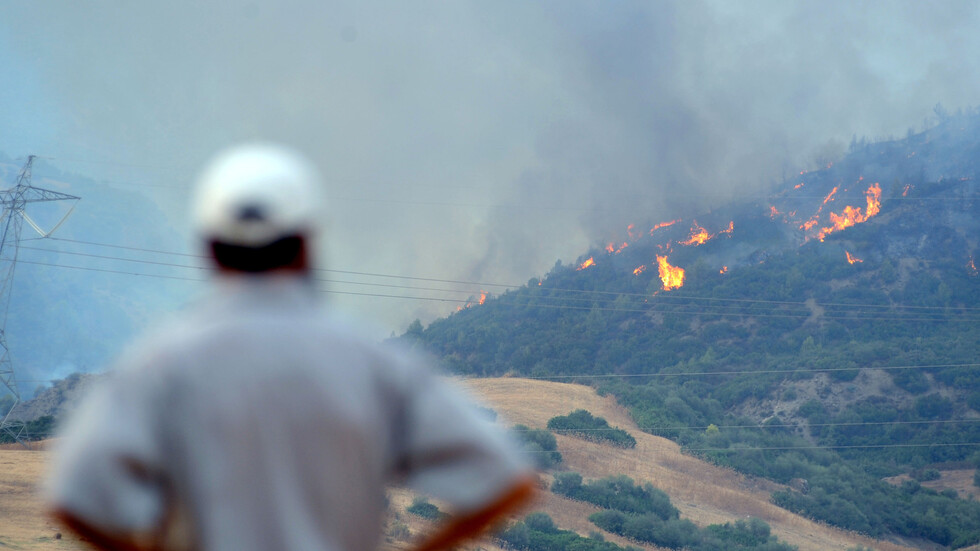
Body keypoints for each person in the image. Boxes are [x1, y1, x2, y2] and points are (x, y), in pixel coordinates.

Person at [46, 143, 536, 551]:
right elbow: (506, 481)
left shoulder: (163, 363)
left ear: (210, 249)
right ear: (306, 243)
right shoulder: (374, 364)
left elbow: (72, 497)